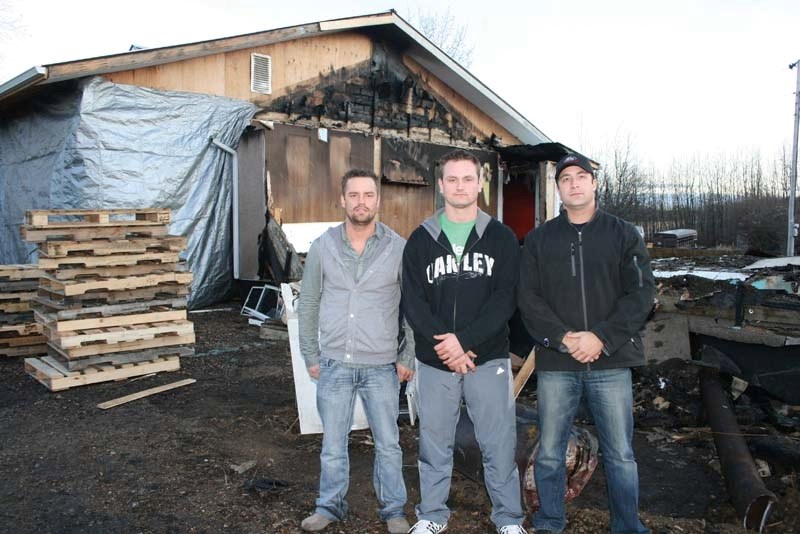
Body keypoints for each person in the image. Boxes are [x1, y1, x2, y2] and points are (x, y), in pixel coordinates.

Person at [518, 153, 655, 534]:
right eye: (566, 179)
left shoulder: (624, 234)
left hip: (610, 362)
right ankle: (549, 522)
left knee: (621, 455)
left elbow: (640, 294)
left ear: (594, 184)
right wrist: (563, 338)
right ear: (558, 188)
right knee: (548, 452)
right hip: (557, 363)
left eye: (582, 176)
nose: (574, 183)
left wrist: (601, 337)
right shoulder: (540, 239)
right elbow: (527, 297)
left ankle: (627, 526)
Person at [402, 149, 527, 534]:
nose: (460, 186)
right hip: (435, 359)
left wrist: (466, 343)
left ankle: (508, 519)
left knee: (498, 444)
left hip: (487, 357)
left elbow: (505, 298)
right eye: (452, 179)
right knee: (434, 443)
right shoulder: (421, 239)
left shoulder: (501, 237)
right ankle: (432, 516)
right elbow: (413, 300)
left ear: (480, 185)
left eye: (467, 179)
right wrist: (447, 346)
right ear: (441, 186)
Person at [297, 169, 415, 533]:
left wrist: (406, 356)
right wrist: (311, 356)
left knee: (389, 445)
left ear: (378, 200)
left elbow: (412, 306)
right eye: (354, 195)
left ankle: (394, 510)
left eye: (368, 194)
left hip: (381, 366)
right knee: (333, 445)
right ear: (342, 199)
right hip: (334, 363)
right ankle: (329, 506)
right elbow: (310, 302)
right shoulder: (324, 246)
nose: (361, 201)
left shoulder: (398, 247)